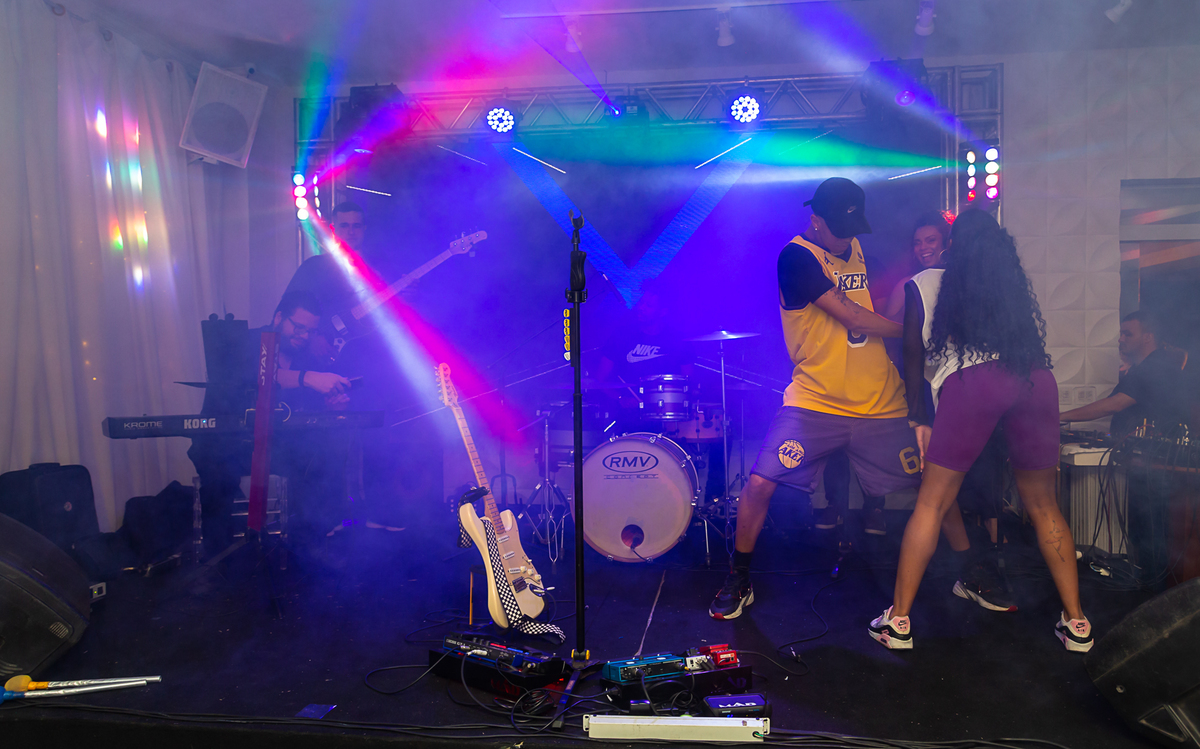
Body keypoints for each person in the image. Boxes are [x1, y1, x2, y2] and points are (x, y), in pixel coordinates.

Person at [869, 209, 1091, 653]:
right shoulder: (1010, 286)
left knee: (932, 501)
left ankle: (898, 622)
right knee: (1043, 503)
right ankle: (1077, 623)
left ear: (952, 246)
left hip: (975, 381)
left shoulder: (926, 283)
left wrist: (918, 417)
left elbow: (912, 352)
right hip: (1034, 379)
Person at [709, 177, 921, 620]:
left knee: (938, 483)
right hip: (816, 402)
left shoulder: (857, 248)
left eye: (853, 228)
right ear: (816, 220)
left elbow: (878, 303)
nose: (847, 237)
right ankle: (739, 577)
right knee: (760, 483)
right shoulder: (796, 257)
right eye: (839, 228)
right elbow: (852, 316)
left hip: (880, 399)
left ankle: (971, 570)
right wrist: (913, 332)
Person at [1059, 311, 1188, 437]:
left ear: (1148, 337)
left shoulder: (1155, 366)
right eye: (1121, 334)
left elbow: (1114, 404)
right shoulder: (1144, 366)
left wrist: (1060, 417)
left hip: (1151, 448)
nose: (1121, 339)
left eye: (1128, 334)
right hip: (1140, 446)